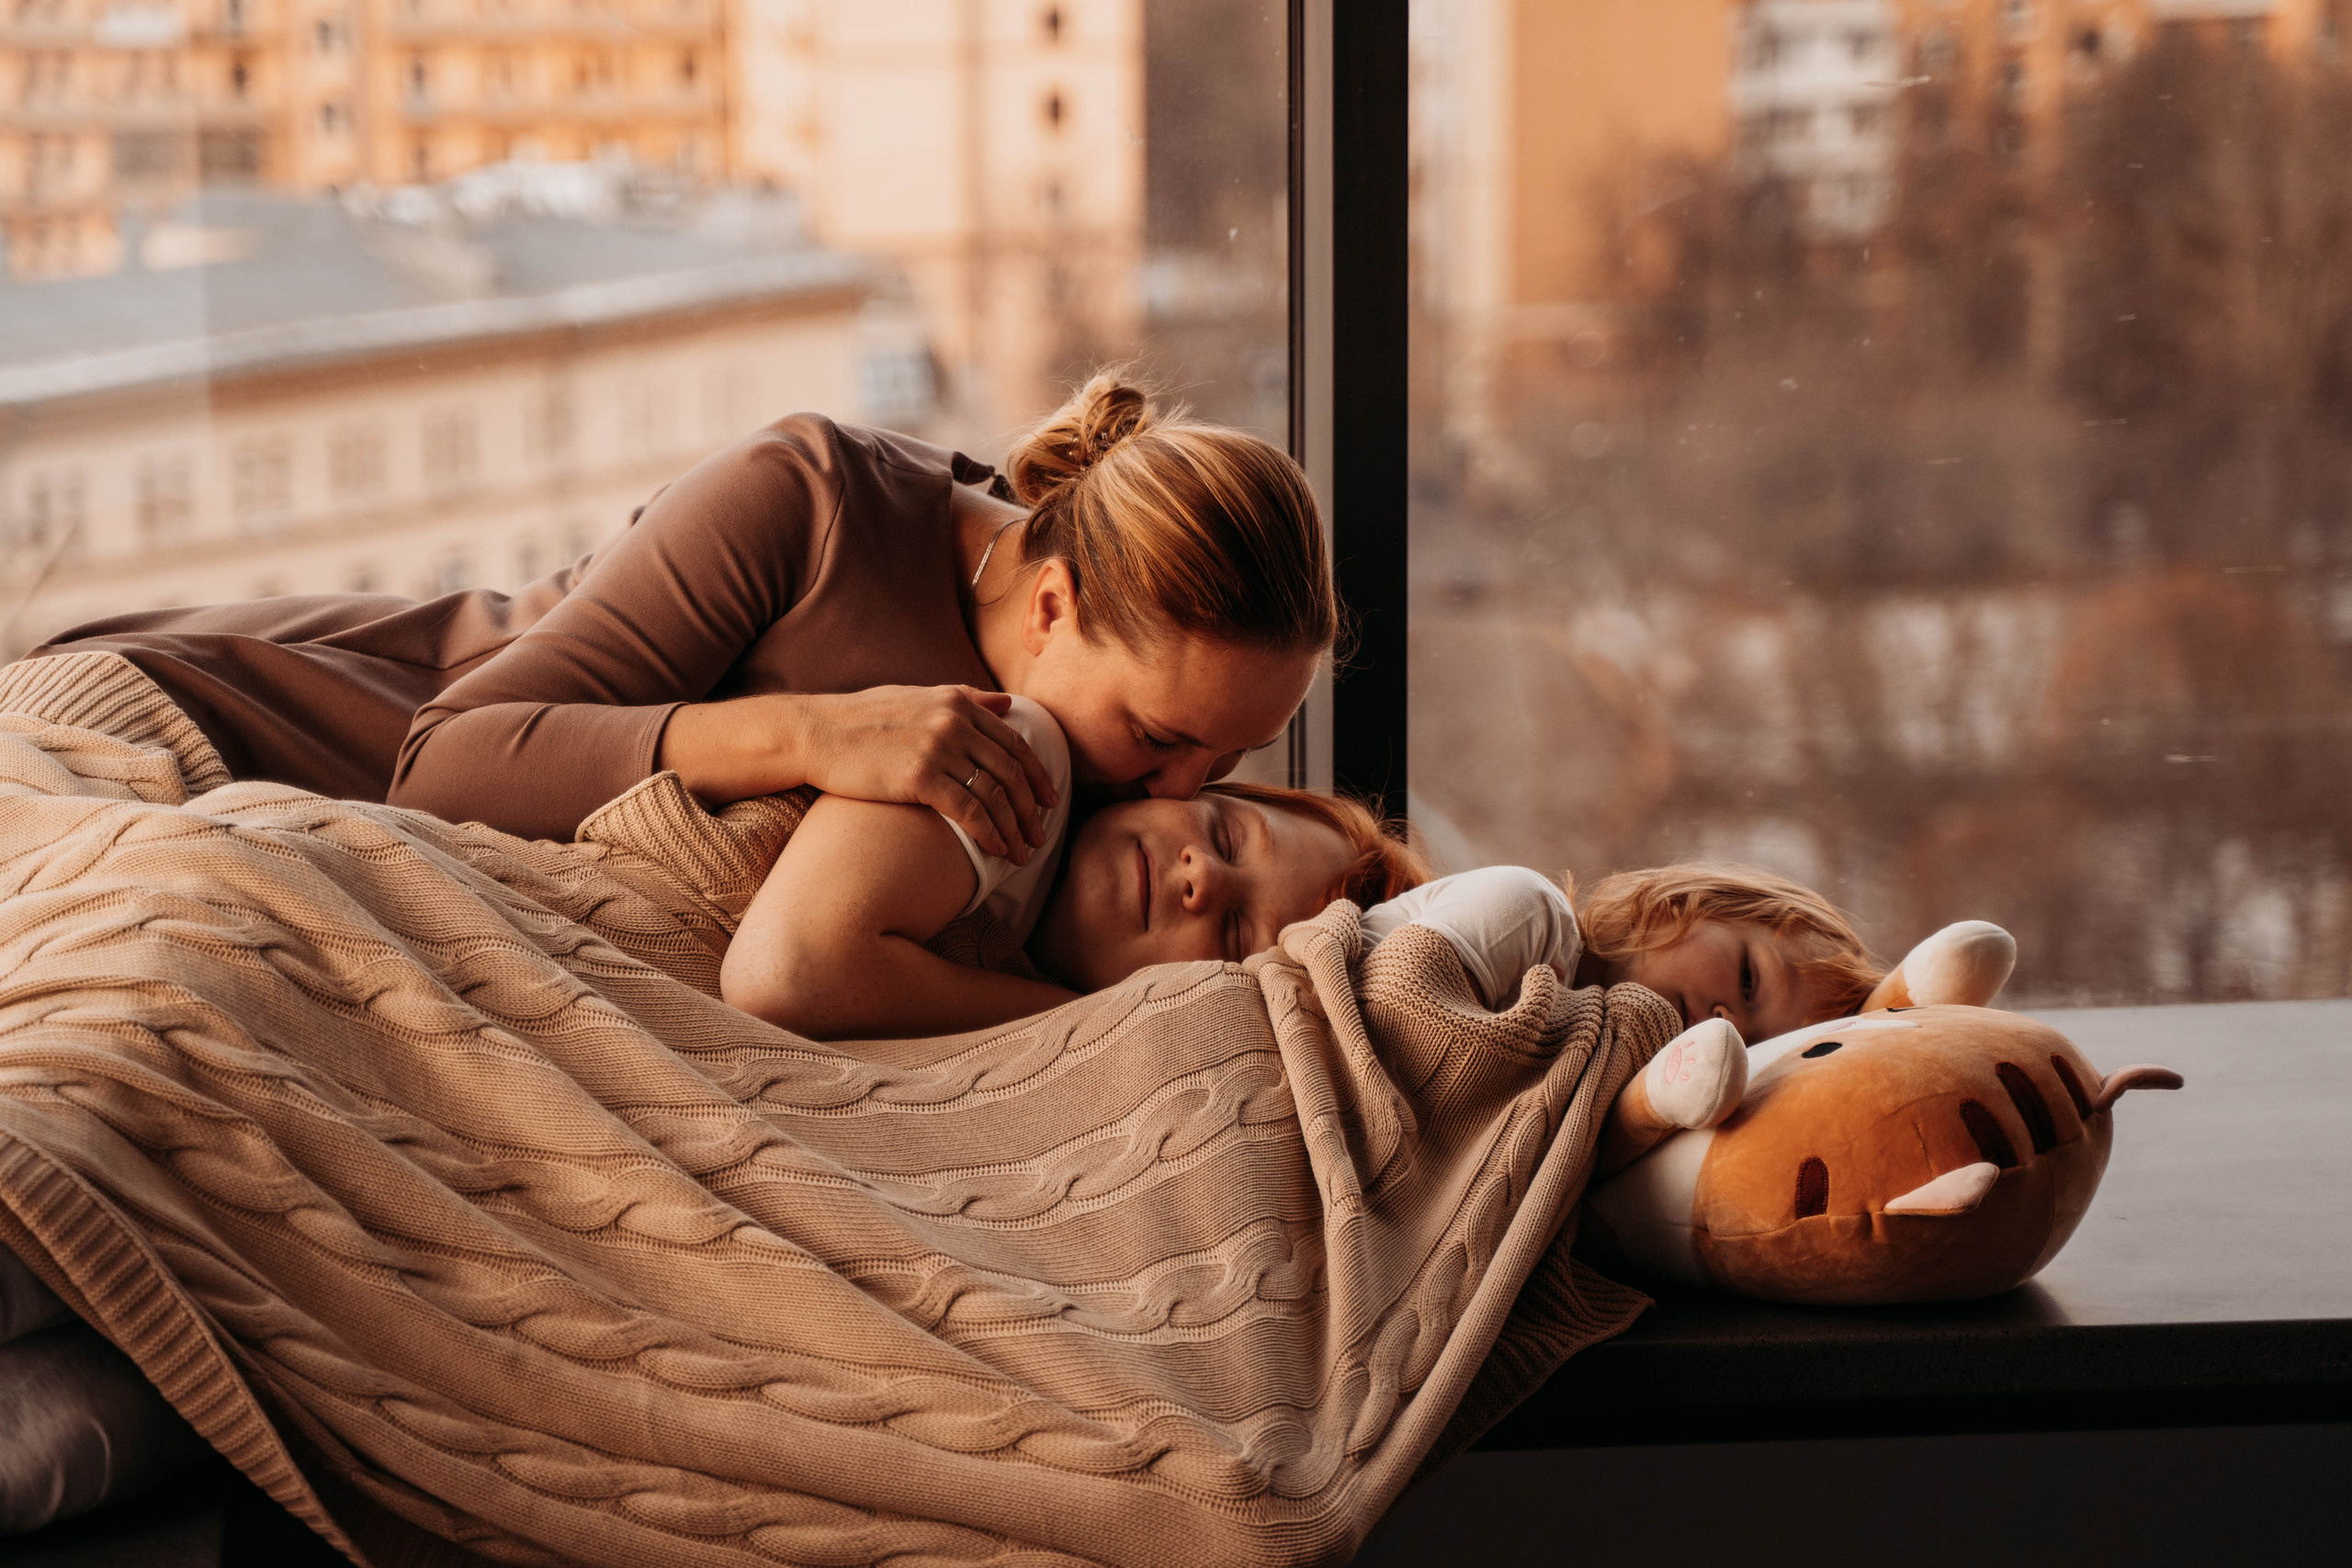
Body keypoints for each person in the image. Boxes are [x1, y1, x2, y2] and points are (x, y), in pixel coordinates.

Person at [23, 373, 1337, 852]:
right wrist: (814, 734)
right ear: (1052, 603)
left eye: (1231, 759)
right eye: (1162, 738)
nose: (1181, 791)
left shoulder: (1123, 762)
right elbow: (443, 763)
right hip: (256, 726)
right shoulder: (811, 498)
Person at [721, 694, 1427, 1040]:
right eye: (1226, 834)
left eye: (1237, 932)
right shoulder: (1023, 767)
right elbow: (781, 974)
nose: (1203, 876)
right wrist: (1089, 1019)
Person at [1567, 863, 1881, 1043]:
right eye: (1747, 982)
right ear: (1690, 902)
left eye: (1752, 1051)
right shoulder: (1544, 930)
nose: (1732, 1031)